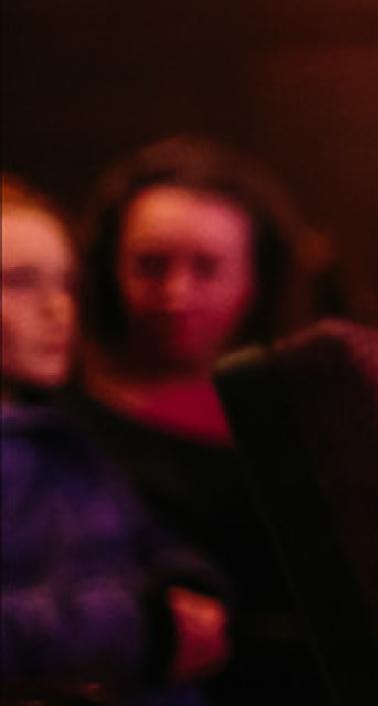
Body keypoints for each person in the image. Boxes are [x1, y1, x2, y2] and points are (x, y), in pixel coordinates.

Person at [66, 137, 328, 704]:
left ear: (254, 278)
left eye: (206, 268)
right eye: (150, 265)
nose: (175, 294)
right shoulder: (56, 420)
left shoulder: (313, 416)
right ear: (110, 267)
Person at [1, 174, 230, 706]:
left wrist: (187, 585)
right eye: (19, 281)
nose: (57, 308)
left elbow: (143, 538)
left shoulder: (63, 429)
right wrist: (144, 627)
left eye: (65, 283)